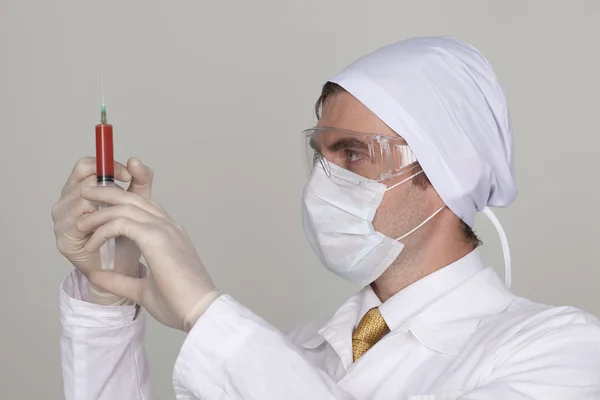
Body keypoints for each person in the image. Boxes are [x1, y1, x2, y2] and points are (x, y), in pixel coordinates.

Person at [53, 36, 600, 400]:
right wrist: (107, 304)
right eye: (322, 153)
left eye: (354, 153)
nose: (324, 179)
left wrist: (206, 310)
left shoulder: (558, 349)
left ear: (448, 172)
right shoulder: (298, 351)